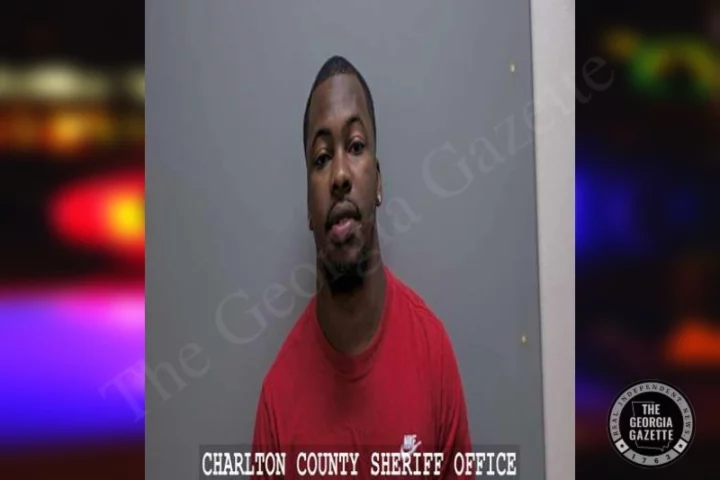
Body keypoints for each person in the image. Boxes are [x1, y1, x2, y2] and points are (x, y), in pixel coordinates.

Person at [251, 55, 472, 478]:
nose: (339, 174)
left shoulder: (433, 355)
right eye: (321, 158)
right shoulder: (277, 399)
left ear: (379, 182)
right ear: (309, 207)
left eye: (355, 147)